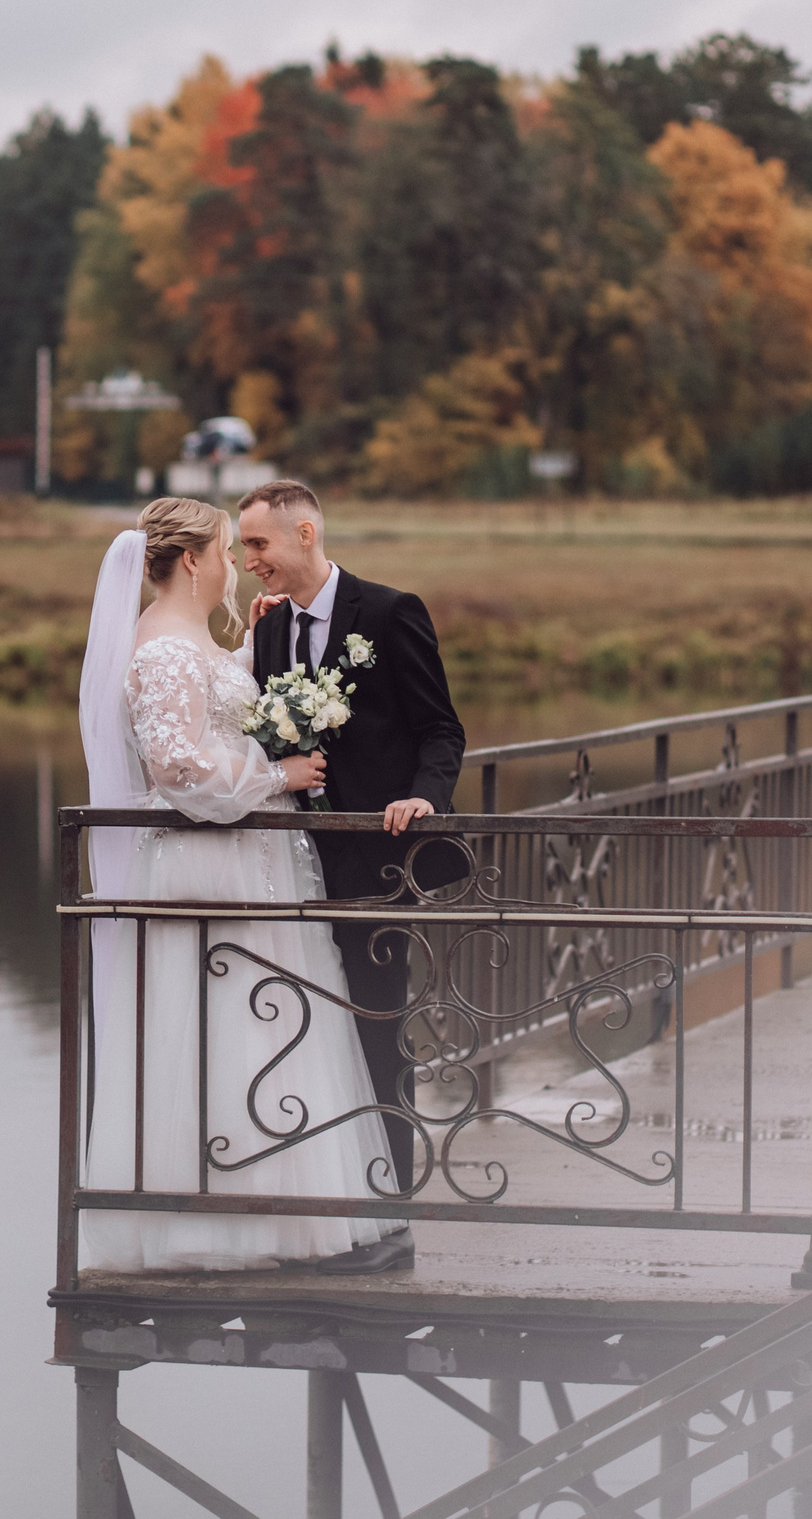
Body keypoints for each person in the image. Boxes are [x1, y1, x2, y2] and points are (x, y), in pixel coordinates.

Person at [77, 498, 404, 1273]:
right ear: (191, 560)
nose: (232, 562)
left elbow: (213, 718)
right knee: (224, 1028)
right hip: (204, 870)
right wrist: (278, 774)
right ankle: (224, 1226)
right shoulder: (158, 649)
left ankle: (296, 1215)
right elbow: (177, 768)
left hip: (247, 865)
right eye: (226, 549)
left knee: (269, 1022)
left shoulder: (194, 640)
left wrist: (252, 654)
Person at [238, 478, 466, 1276]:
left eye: (259, 544)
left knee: (377, 1031)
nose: (248, 560)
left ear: (305, 534)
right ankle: (320, 1205)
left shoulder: (391, 611)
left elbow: (441, 728)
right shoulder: (268, 632)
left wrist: (422, 797)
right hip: (292, 868)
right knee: (305, 1037)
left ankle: (390, 1211)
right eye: (240, 547)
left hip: (376, 867)